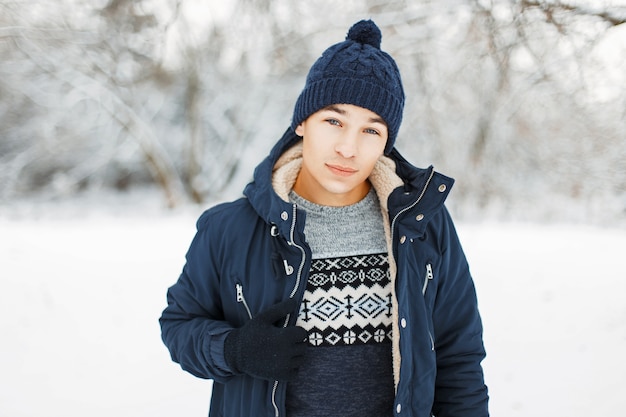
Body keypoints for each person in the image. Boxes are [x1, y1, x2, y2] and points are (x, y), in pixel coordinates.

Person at [160, 19, 489, 417]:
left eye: (371, 130)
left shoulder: (421, 227)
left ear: (386, 143)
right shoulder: (230, 228)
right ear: (302, 123)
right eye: (334, 121)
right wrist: (234, 349)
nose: (348, 148)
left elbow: (459, 359)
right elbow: (179, 325)